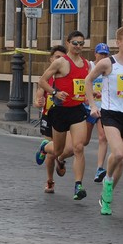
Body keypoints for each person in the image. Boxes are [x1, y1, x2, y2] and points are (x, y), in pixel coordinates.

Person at [86, 26, 123, 215]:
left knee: (122, 161)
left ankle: (106, 196)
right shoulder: (107, 63)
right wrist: (93, 105)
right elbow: (88, 80)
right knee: (119, 153)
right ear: (118, 43)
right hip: (111, 113)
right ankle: (108, 179)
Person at [36, 30, 90, 201]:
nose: (78, 46)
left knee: (79, 147)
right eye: (75, 43)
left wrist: (91, 94)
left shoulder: (86, 64)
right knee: (57, 150)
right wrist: (54, 92)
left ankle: (78, 185)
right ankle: (45, 147)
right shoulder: (60, 62)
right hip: (60, 112)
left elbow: (84, 84)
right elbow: (42, 81)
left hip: (77, 110)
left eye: (81, 43)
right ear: (68, 43)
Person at [34, 45, 69, 194]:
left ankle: (60, 159)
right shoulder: (46, 78)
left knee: (69, 148)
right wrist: (38, 102)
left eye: (62, 57)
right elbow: (37, 98)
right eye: (57, 57)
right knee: (52, 152)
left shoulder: (68, 75)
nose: (59, 60)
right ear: (51, 59)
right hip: (49, 117)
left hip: (66, 115)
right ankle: (50, 181)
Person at [88, 43, 110, 183]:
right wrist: (90, 95)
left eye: (105, 54)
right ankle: (60, 158)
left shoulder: (109, 67)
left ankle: (99, 168)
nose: (103, 56)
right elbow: (84, 83)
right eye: (100, 54)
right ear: (95, 54)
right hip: (89, 107)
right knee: (83, 141)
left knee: (103, 137)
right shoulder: (89, 66)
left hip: (103, 108)